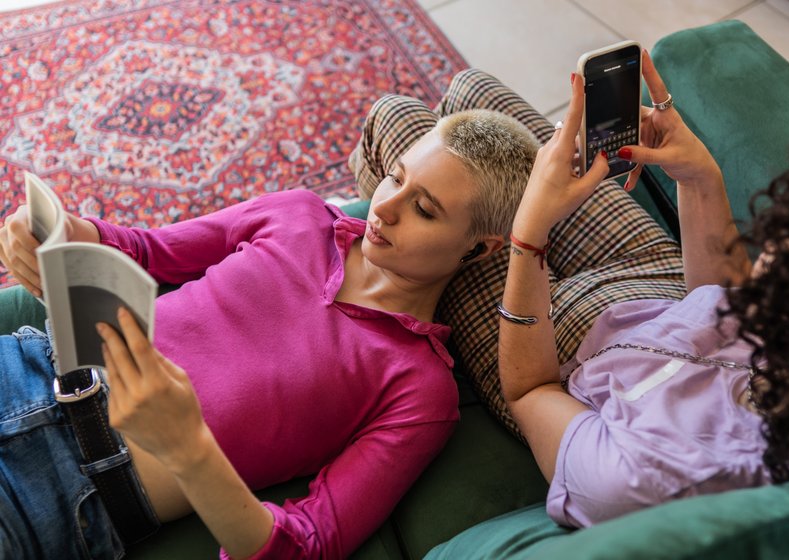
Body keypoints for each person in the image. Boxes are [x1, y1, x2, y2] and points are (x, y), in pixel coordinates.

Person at [0, 72, 540, 559]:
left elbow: (307, 545)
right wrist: (59, 233)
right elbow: (147, 251)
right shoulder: (296, 214)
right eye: (395, 178)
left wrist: (190, 449)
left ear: (479, 250)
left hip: (65, 495)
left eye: (424, 209)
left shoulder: (419, 391)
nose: (384, 208)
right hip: (25, 366)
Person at [498, 49, 789, 529]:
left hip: (551, 351)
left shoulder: (643, 480)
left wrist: (528, 232)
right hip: (661, 296)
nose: (762, 256)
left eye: (777, 259)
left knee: (403, 121)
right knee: (481, 95)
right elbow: (725, 305)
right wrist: (700, 177)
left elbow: (530, 390)